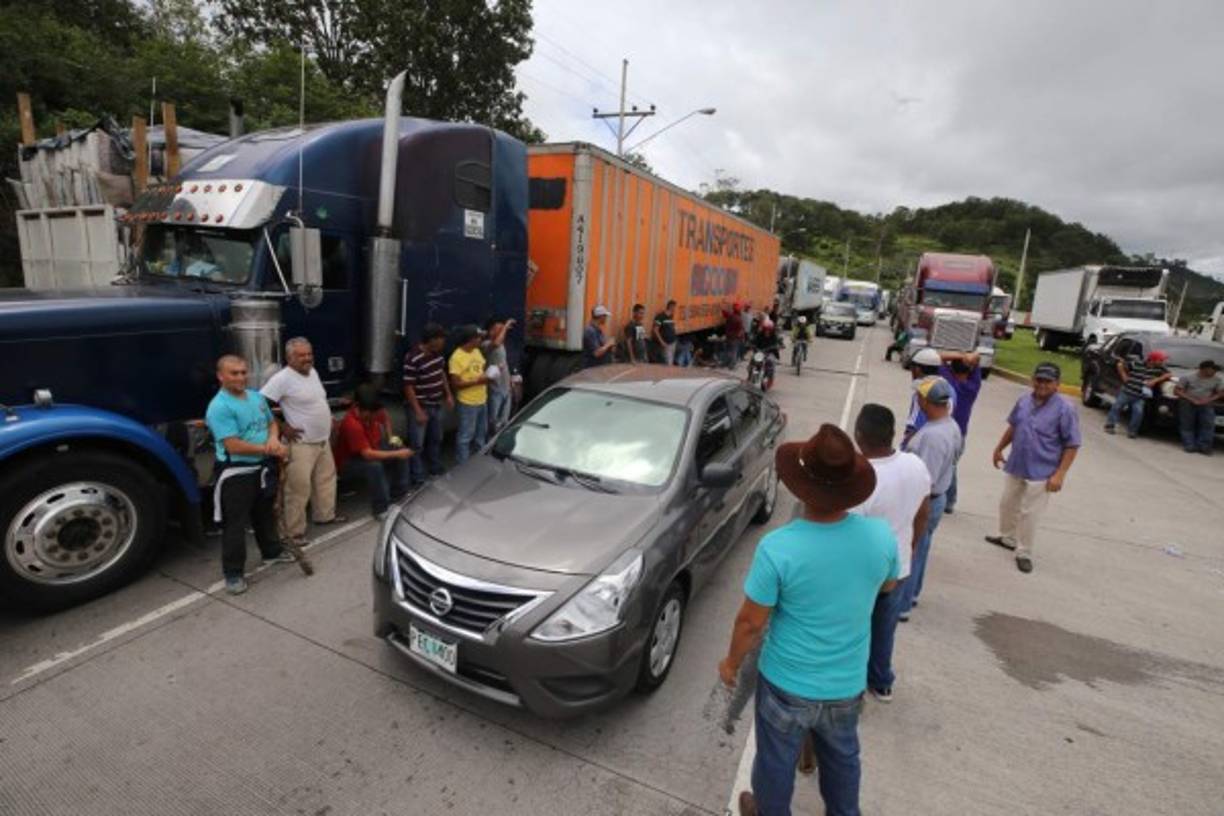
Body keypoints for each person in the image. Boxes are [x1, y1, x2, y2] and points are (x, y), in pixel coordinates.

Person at [719, 425, 897, 816]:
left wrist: (731, 663)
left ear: (802, 487)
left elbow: (750, 623)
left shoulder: (778, 547)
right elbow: (887, 586)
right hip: (846, 682)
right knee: (843, 760)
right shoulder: (881, 537)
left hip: (786, 683)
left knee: (774, 762)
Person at [852, 404, 932, 702]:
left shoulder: (862, 478)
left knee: (855, 628)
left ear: (859, 435)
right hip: (899, 566)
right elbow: (923, 513)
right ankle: (881, 681)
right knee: (885, 628)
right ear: (892, 433)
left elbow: (851, 533)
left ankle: (852, 685)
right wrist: (910, 548)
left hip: (864, 572)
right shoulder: (915, 465)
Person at [205, 354, 292, 595]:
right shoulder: (219, 407)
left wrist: (273, 439)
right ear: (221, 376)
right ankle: (233, 573)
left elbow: (271, 422)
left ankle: (271, 552)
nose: (241, 377)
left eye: (243, 372)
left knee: (264, 513)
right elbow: (232, 445)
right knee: (235, 524)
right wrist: (269, 449)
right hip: (236, 472)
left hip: (262, 467)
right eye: (234, 373)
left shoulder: (255, 397)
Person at [985, 362, 1081, 573]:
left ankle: (1024, 552)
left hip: (1043, 470)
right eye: (1039, 380)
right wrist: (999, 448)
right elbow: (1014, 426)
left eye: (1048, 381)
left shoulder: (1065, 409)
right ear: (1032, 380)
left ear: (1057, 384)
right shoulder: (1023, 401)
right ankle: (1007, 538)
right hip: (1017, 463)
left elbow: (1072, 444)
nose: (1042, 385)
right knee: (1007, 503)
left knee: (1030, 514)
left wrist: (1060, 474)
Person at [259, 338, 345, 546]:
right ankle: (293, 533)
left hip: (321, 440)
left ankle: (324, 515)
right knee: (298, 489)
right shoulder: (282, 379)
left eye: (309, 354)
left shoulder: (312, 372)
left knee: (326, 480)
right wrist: (282, 426)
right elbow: (259, 404)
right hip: (301, 443)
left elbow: (317, 400)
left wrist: (329, 419)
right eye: (301, 355)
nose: (307, 358)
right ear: (289, 358)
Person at [900, 377, 961, 616]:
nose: (916, 399)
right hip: (935, 498)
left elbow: (926, 479)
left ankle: (902, 604)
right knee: (921, 548)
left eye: (919, 397)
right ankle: (912, 595)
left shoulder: (934, 437)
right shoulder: (949, 425)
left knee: (912, 550)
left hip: (925, 501)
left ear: (926, 401)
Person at [333, 383, 412, 520]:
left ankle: (399, 494)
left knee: (399, 449)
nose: (374, 417)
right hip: (349, 461)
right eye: (370, 414)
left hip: (371, 447)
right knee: (375, 466)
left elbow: (385, 418)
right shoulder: (352, 424)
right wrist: (396, 454)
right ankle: (381, 509)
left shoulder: (373, 409)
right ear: (360, 408)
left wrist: (391, 437)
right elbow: (368, 454)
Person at [403, 323, 454, 487]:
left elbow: (441, 373)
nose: (444, 341)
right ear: (432, 340)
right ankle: (417, 478)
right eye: (441, 338)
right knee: (417, 444)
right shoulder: (413, 358)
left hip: (436, 404)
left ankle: (435, 469)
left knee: (436, 438)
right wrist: (418, 411)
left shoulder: (438, 355)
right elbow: (408, 386)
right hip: (421, 406)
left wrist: (448, 394)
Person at [935, 351, 984, 514]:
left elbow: (938, 357)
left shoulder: (948, 383)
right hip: (960, 435)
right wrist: (971, 359)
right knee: (951, 466)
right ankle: (949, 501)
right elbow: (977, 359)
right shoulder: (973, 387)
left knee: (943, 466)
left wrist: (960, 355)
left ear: (952, 370)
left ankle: (945, 498)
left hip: (943, 430)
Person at [449, 325, 492, 464]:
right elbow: (455, 384)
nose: (481, 340)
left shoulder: (476, 351)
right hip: (467, 403)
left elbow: (480, 370)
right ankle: (463, 465)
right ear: (471, 339)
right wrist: (477, 381)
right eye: (479, 337)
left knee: (481, 435)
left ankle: (478, 464)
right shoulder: (457, 357)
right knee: (465, 437)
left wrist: (490, 374)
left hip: (482, 400)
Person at [1105, 349, 1172, 438]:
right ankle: (1110, 425)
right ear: (1153, 360)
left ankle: (1132, 431)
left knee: (1138, 413)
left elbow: (1169, 374)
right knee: (1117, 407)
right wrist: (1124, 376)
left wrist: (1155, 380)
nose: (1162, 362)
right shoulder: (1137, 363)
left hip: (1140, 396)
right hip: (1127, 391)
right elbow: (1120, 365)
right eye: (1161, 360)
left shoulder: (1160, 368)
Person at [902, 347, 954, 445]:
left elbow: (914, 427)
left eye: (912, 368)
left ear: (917, 369)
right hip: (943, 440)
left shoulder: (922, 391)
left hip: (923, 443)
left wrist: (904, 447)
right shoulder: (950, 389)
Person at [1174, 359, 1222, 455]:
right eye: (1213, 370)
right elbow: (1177, 391)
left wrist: (1208, 399)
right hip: (1188, 402)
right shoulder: (1187, 377)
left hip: (1206, 403)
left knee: (1208, 424)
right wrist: (1192, 399)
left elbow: (1220, 393)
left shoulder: (1217, 379)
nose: (1214, 372)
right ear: (1204, 369)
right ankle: (1189, 445)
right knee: (1187, 424)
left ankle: (1204, 446)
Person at [483, 317, 515, 433]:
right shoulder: (486, 344)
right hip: (495, 389)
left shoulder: (501, 345)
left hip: (506, 388)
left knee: (504, 421)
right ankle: (491, 441)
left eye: (502, 329)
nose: (502, 331)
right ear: (490, 331)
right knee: (493, 421)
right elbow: (496, 343)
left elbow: (505, 363)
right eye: (498, 329)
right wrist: (505, 326)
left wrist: (511, 381)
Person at [749, 317, 781, 390]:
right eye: (766, 329)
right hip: (760, 352)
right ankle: (749, 376)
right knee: (752, 360)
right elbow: (754, 341)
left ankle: (770, 379)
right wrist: (751, 344)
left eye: (769, 329)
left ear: (772, 329)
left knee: (771, 361)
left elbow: (778, 343)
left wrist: (778, 345)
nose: (767, 331)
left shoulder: (774, 336)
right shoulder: (759, 335)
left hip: (770, 353)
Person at [652, 300, 678, 364]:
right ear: (671, 306)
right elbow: (655, 330)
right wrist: (662, 342)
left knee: (670, 361)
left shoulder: (671, 317)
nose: (675, 309)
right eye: (674, 307)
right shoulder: (660, 317)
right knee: (667, 362)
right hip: (666, 343)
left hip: (672, 342)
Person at [722, 302, 746, 369]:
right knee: (734, 352)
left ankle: (726, 363)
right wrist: (741, 338)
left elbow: (724, 313)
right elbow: (741, 330)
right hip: (735, 338)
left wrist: (723, 306)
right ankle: (732, 365)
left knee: (728, 351)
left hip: (729, 337)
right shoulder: (739, 319)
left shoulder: (731, 316)